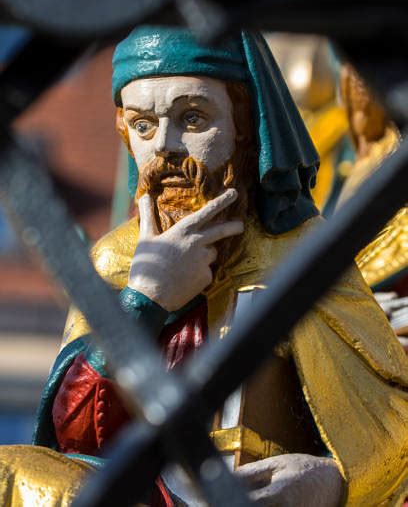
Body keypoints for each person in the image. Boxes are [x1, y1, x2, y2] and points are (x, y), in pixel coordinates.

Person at [4, 27, 407, 506]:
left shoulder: (301, 252)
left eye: (193, 118)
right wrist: (144, 300)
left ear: (243, 122)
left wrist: (331, 479)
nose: (165, 147)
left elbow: (390, 426)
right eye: (142, 125)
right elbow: (72, 436)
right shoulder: (116, 258)